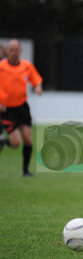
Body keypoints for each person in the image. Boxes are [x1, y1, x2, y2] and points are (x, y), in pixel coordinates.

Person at [0, 39, 43, 176]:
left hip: (22, 108)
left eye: (16, 50)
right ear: (7, 51)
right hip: (7, 110)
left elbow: (36, 80)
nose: (13, 53)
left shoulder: (27, 66)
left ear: (20, 51)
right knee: (16, 143)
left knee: (28, 139)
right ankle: (3, 141)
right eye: (11, 50)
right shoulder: (1, 67)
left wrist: (38, 88)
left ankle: (25, 170)